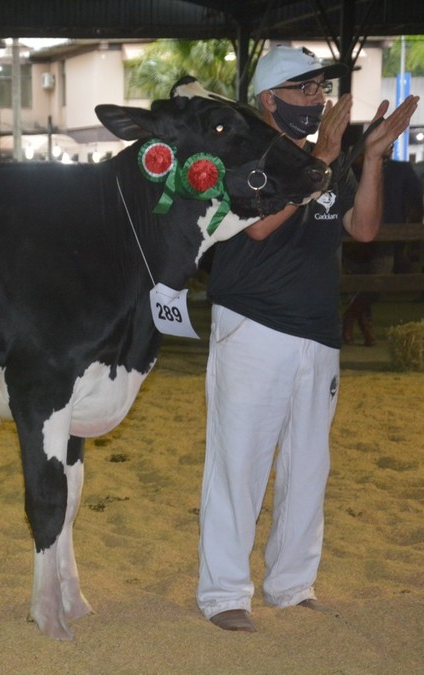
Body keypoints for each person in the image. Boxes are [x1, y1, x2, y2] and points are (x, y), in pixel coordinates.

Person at [196, 45, 418, 632]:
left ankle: (292, 584)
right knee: (238, 463)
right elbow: (260, 228)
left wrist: (372, 159)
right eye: (305, 89)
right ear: (270, 100)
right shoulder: (242, 153)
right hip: (252, 325)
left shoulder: (331, 159)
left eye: (321, 88)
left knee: (308, 466)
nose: (317, 99)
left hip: (317, 331)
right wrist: (322, 159)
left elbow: (363, 228)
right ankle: (224, 593)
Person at [342, 148, 423, 345]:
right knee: (362, 280)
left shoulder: (401, 169)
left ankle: (350, 318)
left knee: (377, 281)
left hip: (387, 235)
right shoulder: (354, 168)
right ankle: (365, 327)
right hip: (356, 234)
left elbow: (416, 200)